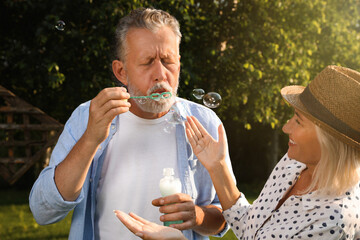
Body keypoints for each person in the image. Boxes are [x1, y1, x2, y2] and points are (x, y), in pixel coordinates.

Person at [29, 8, 235, 240]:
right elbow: (43, 211)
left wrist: (198, 216)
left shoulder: (204, 122)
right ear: (121, 71)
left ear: (179, 63)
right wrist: (91, 138)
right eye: (147, 62)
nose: (160, 74)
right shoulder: (87, 116)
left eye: (168, 61)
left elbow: (228, 215)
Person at [115, 65, 360, 239]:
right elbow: (251, 229)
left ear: (329, 141)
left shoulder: (332, 219)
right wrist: (217, 167)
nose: (286, 127)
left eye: (298, 121)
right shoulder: (294, 163)